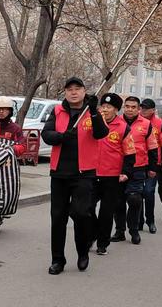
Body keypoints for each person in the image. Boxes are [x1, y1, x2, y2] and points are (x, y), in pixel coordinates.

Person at [41, 77, 108, 275]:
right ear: (65, 93)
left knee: (81, 214)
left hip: (84, 174)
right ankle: (57, 260)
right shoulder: (57, 111)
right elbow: (47, 135)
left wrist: (95, 112)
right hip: (60, 174)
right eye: (69, 89)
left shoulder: (92, 111)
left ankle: (82, 252)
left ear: (84, 91)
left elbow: (101, 134)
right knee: (58, 218)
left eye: (77, 89)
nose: (73, 92)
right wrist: (62, 137)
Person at [112, 96, 158, 243]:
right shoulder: (115, 122)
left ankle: (133, 230)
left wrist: (152, 167)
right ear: (123, 108)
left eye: (133, 107)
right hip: (117, 168)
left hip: (138, 168)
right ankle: (120, 231)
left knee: (134, 199)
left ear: (139, 109)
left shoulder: (146, 124)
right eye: (127, 106)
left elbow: (152, 147)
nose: (130, 109)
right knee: (117, 202)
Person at [94, 93, 135, 253]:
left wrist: (126, 172)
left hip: (112, 175)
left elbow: (130, 152)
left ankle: (102, 244)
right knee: (85, 208)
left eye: (108, 107)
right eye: (103, 106)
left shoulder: (123, 127)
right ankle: (92, 233)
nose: (105, 109)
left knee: (106, 211)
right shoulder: (93, 123)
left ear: (116, 110)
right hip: (91, 173)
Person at [139, 98, 162, 230]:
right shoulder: (135, 121)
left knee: (149, 191)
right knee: (138, 193)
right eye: (142, 108)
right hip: (138, 163)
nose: (143, 110)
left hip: (153, 163)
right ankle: (138, 222)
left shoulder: (160, 124)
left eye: (146, 108)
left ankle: (150, 221)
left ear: (153, 110)